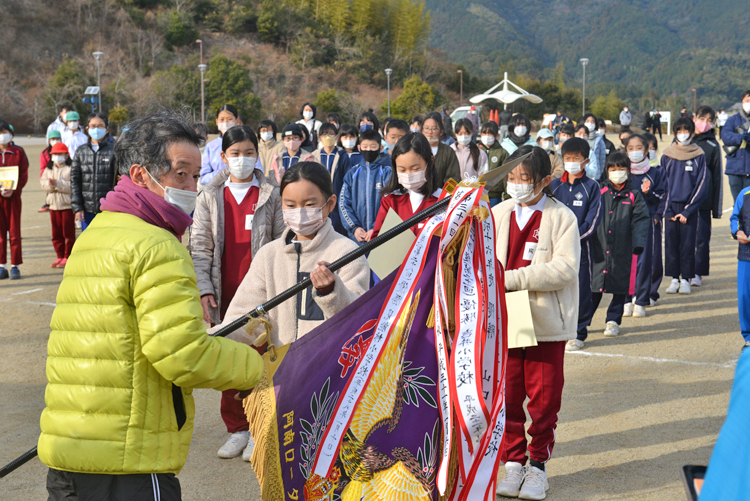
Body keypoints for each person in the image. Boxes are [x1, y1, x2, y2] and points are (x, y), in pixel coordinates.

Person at [39, 112, 265, 500]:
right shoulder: (157, 245)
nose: (192, 187)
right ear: (141, 175)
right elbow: (182, 355)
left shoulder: (96, 233)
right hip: (130, 460)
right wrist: (259, 365)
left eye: (196, 176)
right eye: (181, 175)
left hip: (70, 450)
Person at [190, 126, 284, 461]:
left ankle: (259, 427)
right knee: (229, 360)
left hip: (263, 294)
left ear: (257, 155)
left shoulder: (271, 195)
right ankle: (237, 429)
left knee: (262, 360)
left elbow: (282, 243)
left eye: (248, 153)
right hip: (224, 292)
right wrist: (204, 289)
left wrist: (278, 289)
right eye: (235, 153)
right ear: (223, 156)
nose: (241, 159)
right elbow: (200, 247)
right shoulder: (209, 195)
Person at [493, 145, 580, 501]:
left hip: (544, 318)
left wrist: (513, 278)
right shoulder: (496, 213)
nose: (515, 184)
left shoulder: (562, 217)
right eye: (511, 177)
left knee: (544, 397)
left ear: (544, 180)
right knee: (509, 393)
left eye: (524, 178)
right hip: (509, 315)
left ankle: (538, 465)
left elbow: (565, 268)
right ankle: (513, 461)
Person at [211, 160, 370, 348]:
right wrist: (211, 338)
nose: (299, 212)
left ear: (330, 203)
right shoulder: (269, 255)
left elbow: (359, 318)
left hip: (329, 363)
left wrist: (332, 292)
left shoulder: (347, 252)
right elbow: (244, 317)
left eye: (309, 204)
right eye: (291, 205)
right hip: (281, 363)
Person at [589, 152, 649, 337]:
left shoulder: (634, 195)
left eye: (621, 168)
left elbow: (641, 220)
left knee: (620, 286)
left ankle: (613, 321)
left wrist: (638, 243)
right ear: (607, 170)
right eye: (613, 169)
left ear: (628, 171)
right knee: (594, 287)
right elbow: (589, 215)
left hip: (623, 248)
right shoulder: (598, 191)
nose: (617, 172)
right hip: (598, 247)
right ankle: (582, 321)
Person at [550, 138, 601, 352]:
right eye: (568, 158)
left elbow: (592, 220)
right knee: (555, 287)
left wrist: (573, 238)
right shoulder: (554, 185)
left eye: (576, 158)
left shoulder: (592, 187)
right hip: (555, 248)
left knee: (580, 290)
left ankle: (579, 332)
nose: (571, 162)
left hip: (581, 248)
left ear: (586, 161)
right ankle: (558, 330)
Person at [661, 118, 708, 295]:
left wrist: (688, 210)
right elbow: (661, 183)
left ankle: (686, 279)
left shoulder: (699, 155)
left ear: (692, 133)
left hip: (689, 209)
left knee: (688, 245)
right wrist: (668, 209)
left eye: (686, 130)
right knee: (671, 244)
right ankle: (674, 278)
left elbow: (702, 184)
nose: (683, 134)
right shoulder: (667, 155)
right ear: (674, 133)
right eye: (679, 131)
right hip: (670, 207)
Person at [622, 135, 666, 318]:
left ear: (647, 150)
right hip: (624, 223)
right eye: (630, 148)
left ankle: (641, 300)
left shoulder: (655, 173)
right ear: (625, 151)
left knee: (644, 261)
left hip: (646, 223)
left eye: (639, 147)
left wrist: (649, 193)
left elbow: (661, 198)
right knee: (625, 262)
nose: (635, 151)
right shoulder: (622, 172)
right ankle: (626, 299)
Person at [371, 133, 442, 238]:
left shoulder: (444, 200)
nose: (408, 175)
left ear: (430, 162)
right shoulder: (391, 200)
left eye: (415, 169)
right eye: (402, 170)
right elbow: (376, 240)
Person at [339, 129, 392, 244]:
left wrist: (377, 228)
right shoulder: (352, 173)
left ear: (380, 148)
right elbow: (343, 203)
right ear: (359, 148)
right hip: (357, 238)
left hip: (382, 236)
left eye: (373, 147)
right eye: (365, 146)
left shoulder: (387, 172)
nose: (369, 150)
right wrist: (354, 228)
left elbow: (391, 203)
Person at [691, 106, 723, 287]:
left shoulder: (713, 145)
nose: (705, 123)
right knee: (682, 238)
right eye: (702, 119)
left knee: (701, 238)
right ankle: (682, 271)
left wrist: (716, 209)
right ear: (695, 118)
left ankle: (698, 272)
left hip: (704, 200)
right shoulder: (684, 140)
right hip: (683, 199)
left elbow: (717, 176)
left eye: (709, 121)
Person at [71, 112, 117, 231]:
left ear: (107, 129)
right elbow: (75, 181)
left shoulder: (114, 151)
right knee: (88, 240)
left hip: (108, 209)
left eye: (100, 126)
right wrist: (77, 207)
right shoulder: (81, 152)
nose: (96, 129)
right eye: (93, 126)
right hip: (87, 210)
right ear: (87, 129)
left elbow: (118, 180)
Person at [0, 121, 28, 280]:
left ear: (11, 134)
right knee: (0, 234)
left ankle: (15, 266)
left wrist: (14, 190)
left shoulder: (18, 152)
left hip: (14, 198)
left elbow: (24, 174)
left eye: (4, 132)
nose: (2, 136)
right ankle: (2, 265)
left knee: (14, 233)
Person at [313, 122, 353, 234]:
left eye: (331, 134)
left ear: (336, 137)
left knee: (338, 229)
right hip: (320, 199)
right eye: (325, 134)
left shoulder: (342, 155)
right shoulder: (314, 155)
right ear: (319, 138)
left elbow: (347, 177)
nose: (328, 137)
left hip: (338, 198)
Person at [41, 142, 76, 269]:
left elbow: (73, 186)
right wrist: (52, 185)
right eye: (54, 154)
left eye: (60, 154)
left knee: (68, 233)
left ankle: (68, 256)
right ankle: (59, 255)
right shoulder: (49, 169)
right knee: (56, 233)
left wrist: (57, 184)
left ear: (66, 155)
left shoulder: (71, 168)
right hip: (53, 205)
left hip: (67, 205)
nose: (57, 156)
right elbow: (43, 184)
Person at [721, 90, 750, 203]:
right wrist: (740, 137)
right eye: (747, 100)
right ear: (742, 101)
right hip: (734, 169)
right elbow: (725, 135)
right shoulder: (732, 120)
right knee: (737, 203)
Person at [201, 104, 241, 185]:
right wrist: (221, 174)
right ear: (217, 122)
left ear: (237, 121)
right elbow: (203, 178)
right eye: (222, 119)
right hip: (217, 191)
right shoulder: (211, 146)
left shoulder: (245, 143)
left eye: (229, 119)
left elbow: (258, 171)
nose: (225, 123)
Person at [730, 187, 750, 347]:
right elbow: (735, 218)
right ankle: (748, 337)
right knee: (744, 296)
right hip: (746, 255)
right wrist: (737, 232)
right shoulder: (744, 194)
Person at [422, 112, 461, 186]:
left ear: (441, 132)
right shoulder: (415, 150)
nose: (430, 132)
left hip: (441, 192)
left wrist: (442, 192)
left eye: (434, 129)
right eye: (427, 128)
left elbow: (454, 178)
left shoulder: (448, 152)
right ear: (422, 131)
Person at [479, 121, 508, 206]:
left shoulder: (502, 153)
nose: (487, 136)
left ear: (497, 135)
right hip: (477, 195)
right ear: (480, 134)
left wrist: (507, 197)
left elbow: (506, 175)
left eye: (490, 134)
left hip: (495, 196)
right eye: (484, 133)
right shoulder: (475, 151)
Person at [39, 130, 64, 213]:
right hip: (50, 177)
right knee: (51, 192)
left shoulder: (65, 151)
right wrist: (45, 179)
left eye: (57, 138)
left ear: (61, 139)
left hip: (62, 177)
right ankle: (48, 204)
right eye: (53, 139)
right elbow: (43, 167)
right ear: (49, 140)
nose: (55, 141)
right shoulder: (45, 153)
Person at [577, 114, 606, 180]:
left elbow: (602, 160)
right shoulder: (578, 139)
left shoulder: (599, 141)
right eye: (587, 121)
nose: (590, 123)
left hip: (594, 176)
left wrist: (598, 174)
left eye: (592, 121)